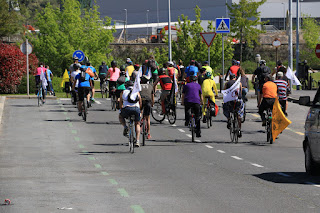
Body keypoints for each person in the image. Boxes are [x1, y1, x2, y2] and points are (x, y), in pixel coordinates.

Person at [119, 81, 142, 147]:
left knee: (120, 116)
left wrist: (121, 109)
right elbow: (140, 101)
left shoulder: (123, 92)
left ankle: (125, 126)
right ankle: (137, 140)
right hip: (136, 109)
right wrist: (140, 110)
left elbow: (120, 102)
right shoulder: (136, 92)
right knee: (137, 123)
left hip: (127, 109)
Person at [140, 75, 154, 139]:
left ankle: (139, 121)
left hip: (141, 101)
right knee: (148, 118)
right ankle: (148, 133)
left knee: (140, 112)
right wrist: (152, 103)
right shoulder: (150, 86)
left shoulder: (139, 86)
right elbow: (152, 96)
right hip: (148, 101)